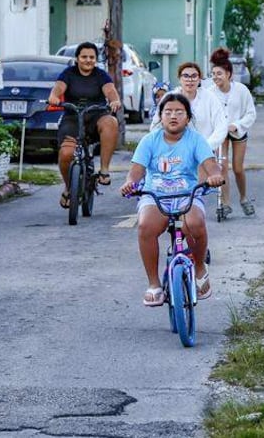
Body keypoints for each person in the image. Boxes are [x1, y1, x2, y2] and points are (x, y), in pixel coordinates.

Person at [121, 93, 225, 307]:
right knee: (145, 226)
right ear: (161, 116)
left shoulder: (196, 139)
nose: (173, 116)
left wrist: (215, 175)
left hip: (187, 194)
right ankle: (154, 284)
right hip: (156, 196)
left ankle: (199, 269)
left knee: (195, 224)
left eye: (179, 112)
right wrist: (130, 183)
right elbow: (135, 173)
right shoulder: (149, 140)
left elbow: (211, 165)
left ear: (188, 117)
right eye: (168, 112)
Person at [48, 42, 123, 209]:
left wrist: (114, 100)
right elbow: (58, 88)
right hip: (72, 118)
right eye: (84, 57)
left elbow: (110, 90)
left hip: (96, 116)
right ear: (77, 58)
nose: (88, 60)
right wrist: (54, 96)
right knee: (66, 153)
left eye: (91, 57)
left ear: (96, 59)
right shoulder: (68, 73)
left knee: (111, 122)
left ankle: (104, 170)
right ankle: (69, 188)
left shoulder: (100, 75)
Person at [203, 47, 258, 217]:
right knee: (222, 167)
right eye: (213, 74)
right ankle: (225, 203)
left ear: (228, 74)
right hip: (221, 133)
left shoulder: (241, 90)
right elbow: (207, 114)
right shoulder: (210, 93)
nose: (215, 77)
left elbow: (251, 113)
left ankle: (243, 197)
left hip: (238, 132)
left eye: (219, 74)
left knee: (238, 168)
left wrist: (237, 125)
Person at [149, 61, 227, 152]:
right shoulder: (169, 98)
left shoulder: (210, 98)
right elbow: (155, 126)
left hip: (203, 152)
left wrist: (206, 147)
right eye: (186, 76)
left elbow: (221, 126)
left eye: (194, 76)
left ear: (199, 79)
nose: (190, 80)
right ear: (179, 78)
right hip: (174, 152)